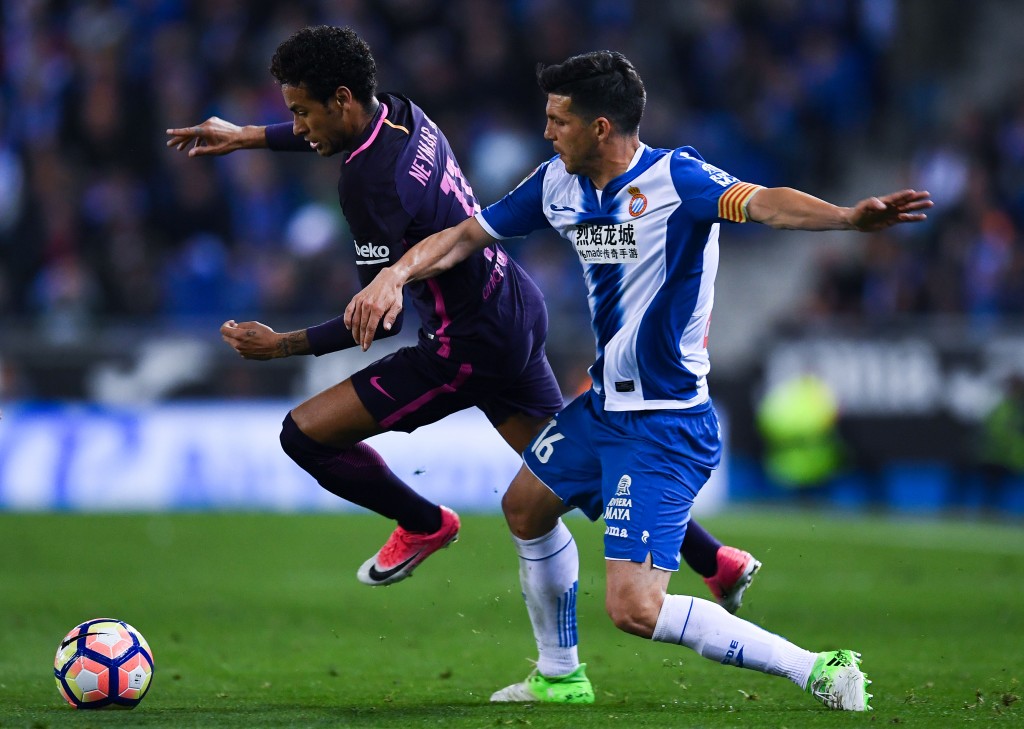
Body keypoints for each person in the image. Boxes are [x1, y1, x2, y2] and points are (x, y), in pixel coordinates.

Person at [345, 50, 933, 710]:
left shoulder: (678, 179)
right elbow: (464, 235)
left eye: (558, 120)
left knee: (634, 607)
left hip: (664, 423)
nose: (548, 132)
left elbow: (766, 204)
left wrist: (849, 218)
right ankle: (560, 675)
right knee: (525, 507)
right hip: (602, 408)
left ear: (600, 128)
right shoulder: (557, 186)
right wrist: (394, 275)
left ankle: (818, 666)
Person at [165, 27, 754, 608]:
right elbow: (327, 131)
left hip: (465, 346)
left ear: (342, 98)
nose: (296, 127)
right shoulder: (400, 112)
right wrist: (248, 136)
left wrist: (284, 346)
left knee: (304, 435)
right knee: (563, 468)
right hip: (515, 307)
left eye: (300, 112)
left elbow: (377, 319)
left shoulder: (369, 186)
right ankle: (716, 562)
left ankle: (422, 522)